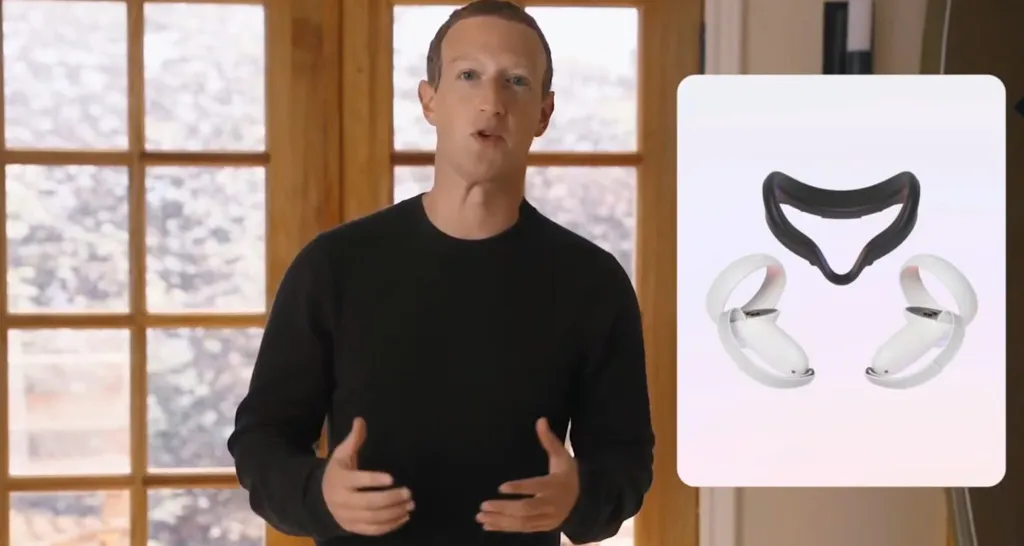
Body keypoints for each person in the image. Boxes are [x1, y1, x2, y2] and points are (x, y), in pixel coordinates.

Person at [227, 1, 655, 545]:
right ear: (430, 100)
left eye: (516, 81)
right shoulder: (334, 267)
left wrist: (578, 499)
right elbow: (261, 441)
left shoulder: (593, 283)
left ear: (544, 114)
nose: (492, 102)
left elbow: (626, 463)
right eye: (469, 75)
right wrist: (319, 495)